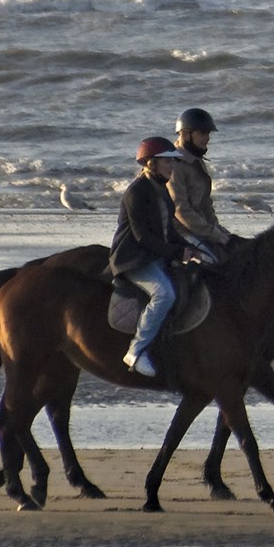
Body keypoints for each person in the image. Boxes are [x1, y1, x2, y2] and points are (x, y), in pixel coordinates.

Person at [110, 137, 183, 379]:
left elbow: (169, 231)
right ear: (151, 163)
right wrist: (177, 253)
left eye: (172, 161)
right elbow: (142, 237)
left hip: (154, 255)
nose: (171, 166)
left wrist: (192, 249)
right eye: (166, 162)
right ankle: (136, 351)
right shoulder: (136, 192)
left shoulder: (161, 190)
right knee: (164, 293)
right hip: (133, 258)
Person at [162, 105, 236, 268]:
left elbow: (205, 204)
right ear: (186, 134)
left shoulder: (196, 160)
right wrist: (213, 234)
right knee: (211, 262)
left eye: (208, 133)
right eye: (202, 133)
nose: (207, 138)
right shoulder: (174, 164)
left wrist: (217, 229)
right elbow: (181, 211)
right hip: (179, 231)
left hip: (198, 228)